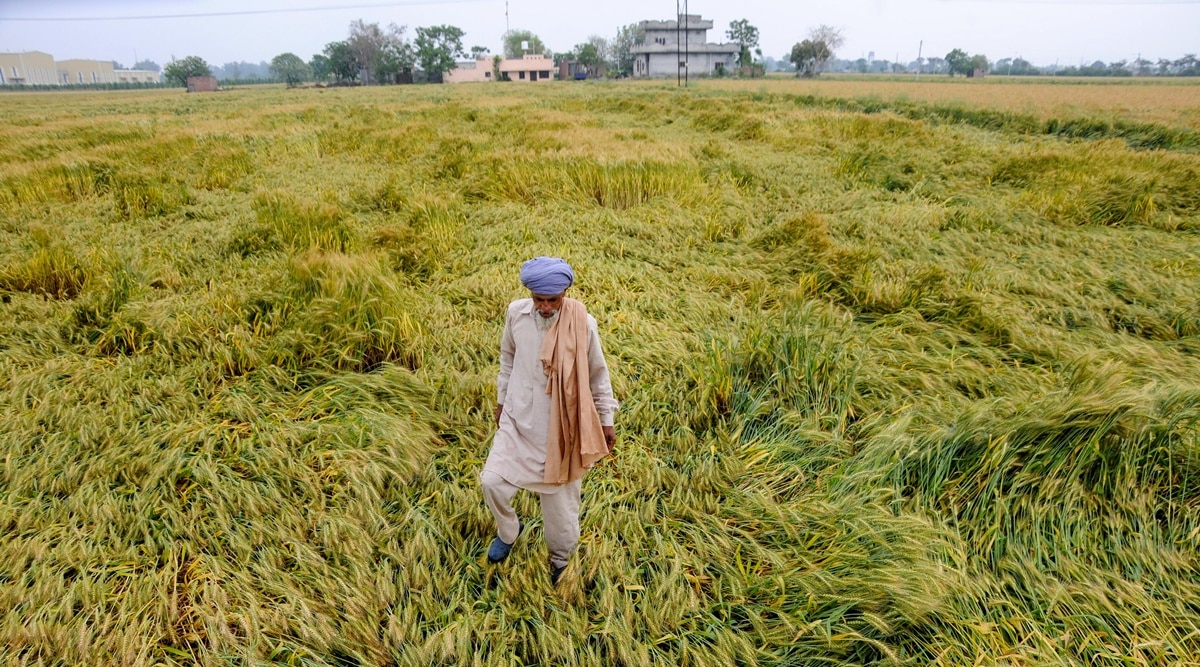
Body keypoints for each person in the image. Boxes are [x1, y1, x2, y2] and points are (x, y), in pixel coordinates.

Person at [480, 256, 618, 586]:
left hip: (563, 427)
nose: (544, 307)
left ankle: (559, 561)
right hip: (518, 418)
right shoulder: (516, 313)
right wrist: (501, 402)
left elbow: (598, 375)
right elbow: (507, 358)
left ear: (565, 294)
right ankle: (509, 531)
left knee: (560, 512)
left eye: (552, 300)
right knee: (491, 482)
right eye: (538, 299)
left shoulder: (583, 323)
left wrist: (606, 420)